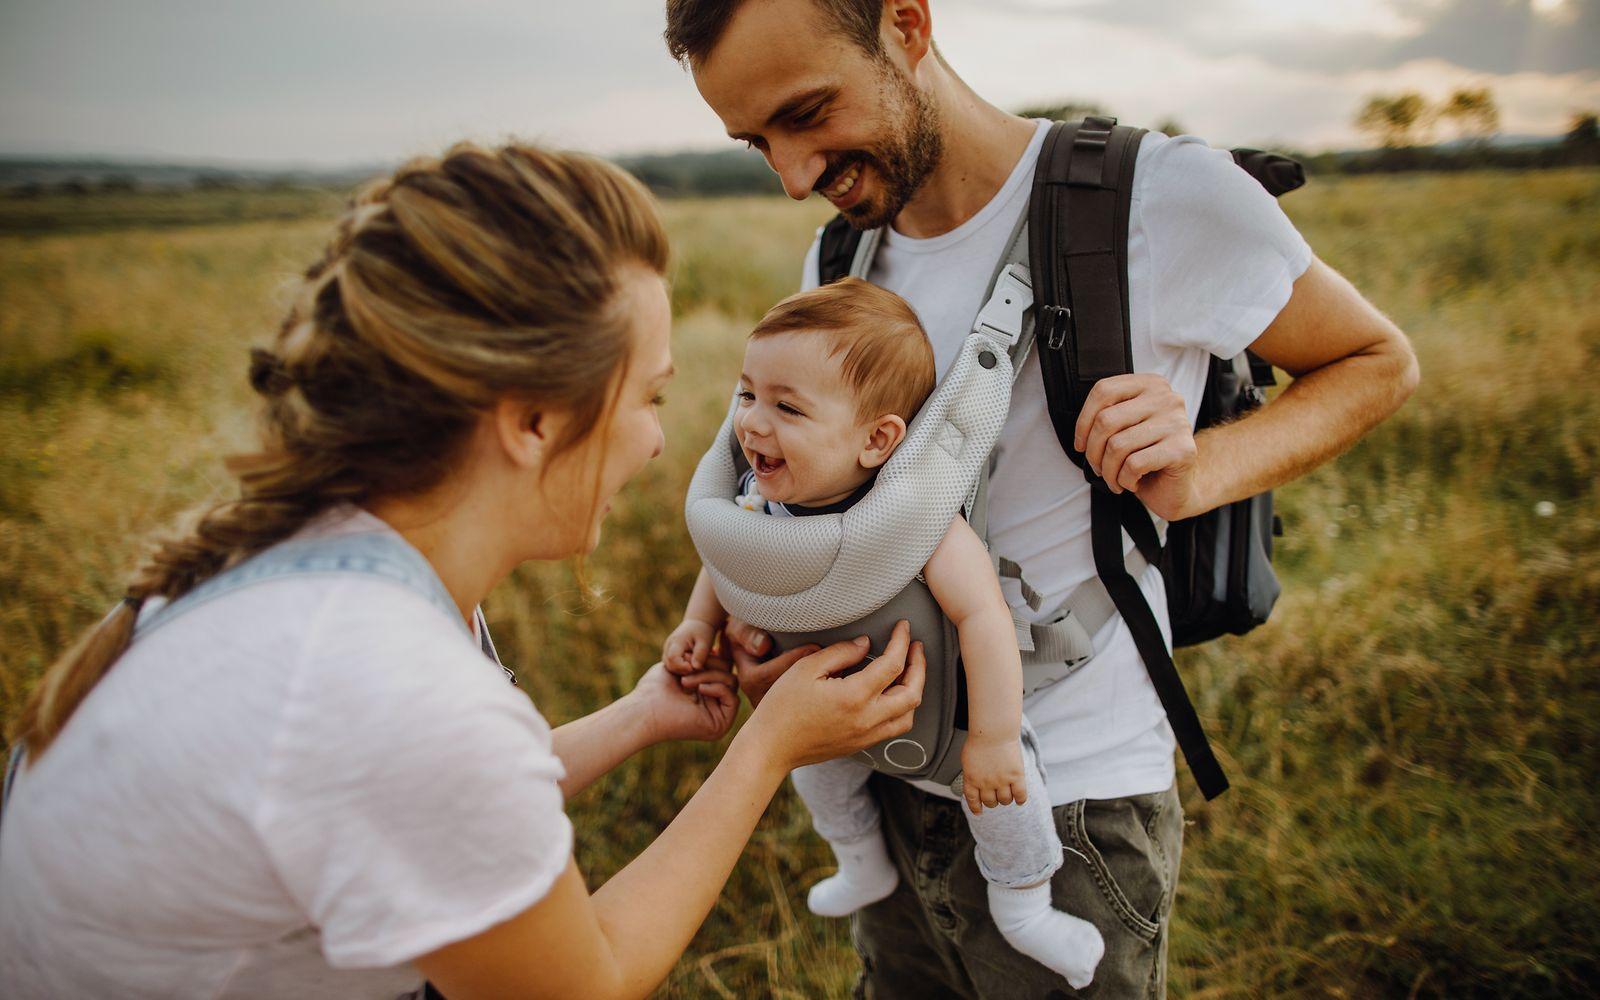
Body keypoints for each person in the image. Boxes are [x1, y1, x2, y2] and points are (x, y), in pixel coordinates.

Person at [0, 141, 928, 1000]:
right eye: (649, 397)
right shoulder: (388, 683)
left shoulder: (328, 561)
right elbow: (584, 981)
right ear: (530, 421)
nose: (657, 445)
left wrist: (646, 716)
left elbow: (416, 805)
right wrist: (769, 749)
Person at [662, 0, 1421, 996]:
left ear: (905, 23)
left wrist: (1199, 467)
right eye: (756, 141)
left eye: (808, 114)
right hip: (886, 780)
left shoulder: (1159, 199)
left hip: (1070, 803)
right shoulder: (843, 258)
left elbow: (1377, 361)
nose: (795, 175)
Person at [663, 277, 1104, 987]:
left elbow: (983, 616)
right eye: (746, 396)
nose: (752, 424)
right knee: (813, 771)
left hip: (953, 724)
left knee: (1013, 795)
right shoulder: (757, 500)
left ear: (877, 440)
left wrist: (992, 735)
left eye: (787, 407)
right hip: (827, 716)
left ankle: (1024, 905)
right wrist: (698, 622)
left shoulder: (915, 523)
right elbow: (728, 560)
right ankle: (860, 860)